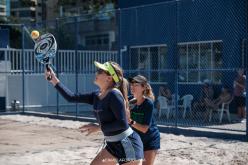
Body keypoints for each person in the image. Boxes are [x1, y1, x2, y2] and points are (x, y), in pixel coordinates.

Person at [45, 61, 144, 165]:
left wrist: (98, 127)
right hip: (112, 144)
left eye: (100, 71)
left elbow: (122, 124)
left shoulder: (114, 95)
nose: (96, 73)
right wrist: (53, 79)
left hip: (128, 144)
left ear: (109, 78)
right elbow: (71, 97)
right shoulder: (97, 95)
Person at [127, 75, 160, 165]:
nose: (132, 87)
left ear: (143, 87)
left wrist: (130, 121)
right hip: (136, 139)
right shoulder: (129, 100)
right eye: (131, 84)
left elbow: (144, 129)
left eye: (136, 85)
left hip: (150, 139)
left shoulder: (148, 103)